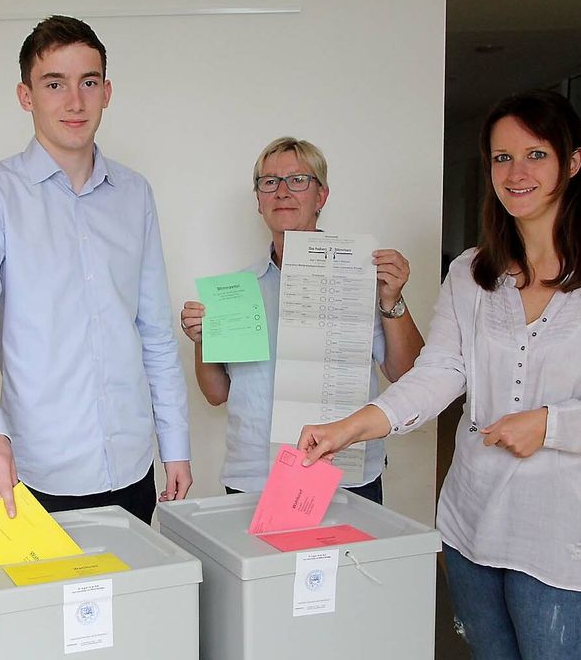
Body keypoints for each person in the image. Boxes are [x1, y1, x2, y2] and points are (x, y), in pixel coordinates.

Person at [298, 91, 581, 660]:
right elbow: (438, 374)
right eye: (501, 158)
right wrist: (351, 427)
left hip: (569, 539)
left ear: (574, 162)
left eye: (536, 154)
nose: (517, 173)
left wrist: (552, 425)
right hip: (472, 528)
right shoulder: (473, 273)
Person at [0, 16, 191, 525]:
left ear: (107, 91)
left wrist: (175, 441)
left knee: (135, 600)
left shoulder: (134, 194)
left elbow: (154, 330)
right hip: (37, 472)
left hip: (133, 466)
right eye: (55, 84)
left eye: (88, 82)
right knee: (48, 605)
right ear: (26, 96)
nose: (75, 101)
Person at [179, 137, 424, 500]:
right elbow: (217, 394)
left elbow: (406, 375)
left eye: (298, 180)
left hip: (344, 472)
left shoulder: (362, 278)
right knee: (257, 559)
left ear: (320, 196)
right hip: (255, 475)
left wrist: (392, 299)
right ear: (259, 200)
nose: (282, 192)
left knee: (348, 560)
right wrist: (202, 341)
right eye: (269, 182)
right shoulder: (237, 291)